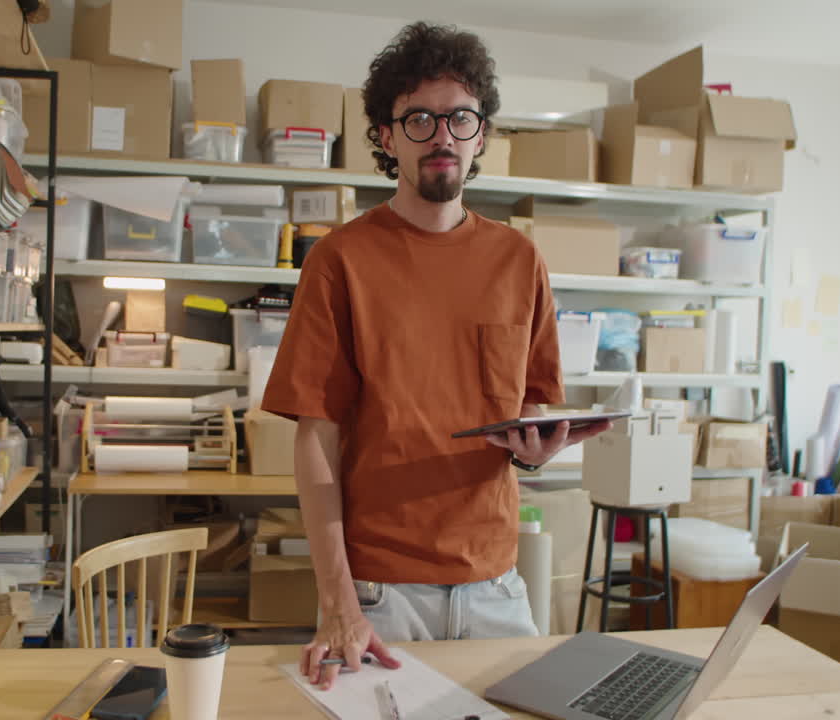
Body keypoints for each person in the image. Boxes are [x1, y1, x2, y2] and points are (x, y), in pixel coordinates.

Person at [259, 21, 611, 691]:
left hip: (496, 586)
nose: (442, 135)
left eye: (459, 118)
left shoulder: (520, 260)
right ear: (387, 137)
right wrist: (338, 603)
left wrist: (533, 450)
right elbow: (315, 438)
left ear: (481, 136)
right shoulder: (340, 260)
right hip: (380, 596)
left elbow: (530, 410)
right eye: (419, 118)